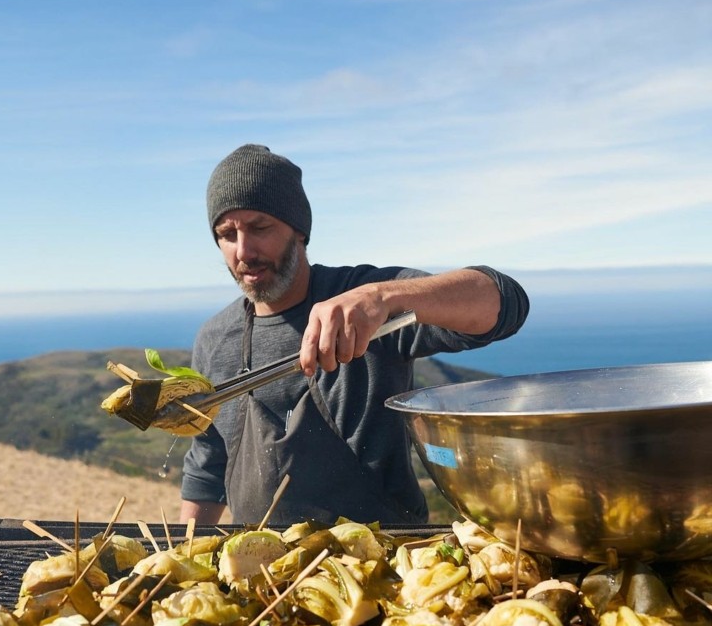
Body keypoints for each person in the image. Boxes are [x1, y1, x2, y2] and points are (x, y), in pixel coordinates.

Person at [180, 144, 529, 528]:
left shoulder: (364, 297)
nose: (243, 251)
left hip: (384, 562)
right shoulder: (215, 338)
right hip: (261, 569)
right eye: (227, 234)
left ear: (298, 231)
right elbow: (208, 464)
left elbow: (504, 304)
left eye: (260, 227)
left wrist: (382, 296)